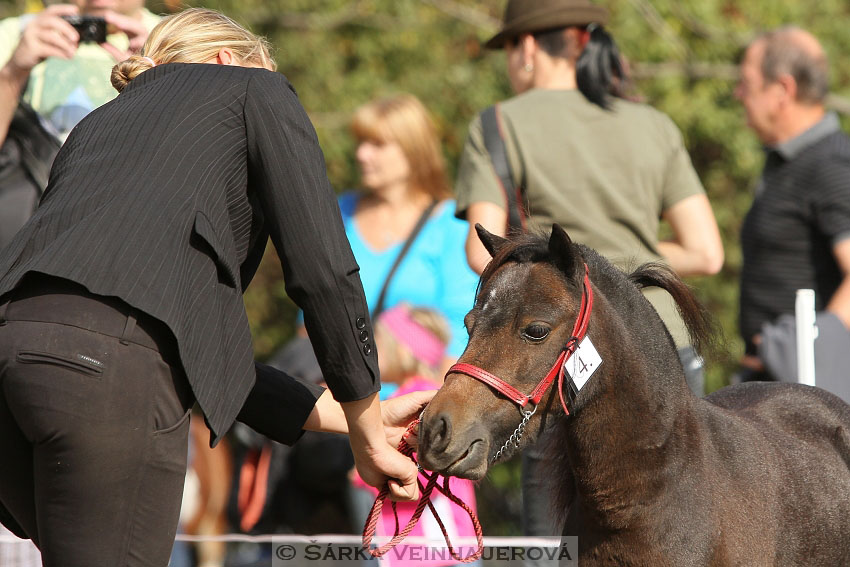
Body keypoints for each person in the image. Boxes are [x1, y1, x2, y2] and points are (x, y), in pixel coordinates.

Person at [0, 9, 430, 567]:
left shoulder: (95, 129)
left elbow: (187, 343)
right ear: (229, 62)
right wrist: (370, 430)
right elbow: (324, 272)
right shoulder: (255, 88)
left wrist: (354, 417)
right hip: (109, 376)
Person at [453, 0, 724, 548]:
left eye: (508, 49)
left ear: (527, 48)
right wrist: (631, 257)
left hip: (556, 357)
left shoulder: (501, 124)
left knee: (554, 543)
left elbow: (483, 251)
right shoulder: (654, 124)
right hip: (660, 347)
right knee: (682, 535)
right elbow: (707, 252)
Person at [734, 27, 850, 403]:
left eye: (746, 83)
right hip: (775, 385)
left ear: (782, 90)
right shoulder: (790, 161)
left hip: (806, 397)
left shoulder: (830, 164)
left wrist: (805, 346)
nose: (739, 94)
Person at [0, 0, 159, 249]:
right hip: (28, 231)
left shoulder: (182, 37)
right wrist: (12, 74)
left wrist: (169, 77)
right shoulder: (14, 35)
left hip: (132, 232)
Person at [340, 94, 480, 361]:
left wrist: (437, 399)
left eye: (377, 144)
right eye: (361, 143)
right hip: (336, 393)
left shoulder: (451, 223)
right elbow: (310, 318)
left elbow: (460, 328)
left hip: (416, 394)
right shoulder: (340, 213)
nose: (362, 154)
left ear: (413, 150)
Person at [351, 304, 480, 567]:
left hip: (434, 548)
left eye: (379, 341)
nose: (372, 351)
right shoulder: (421, 397)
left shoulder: (421, 404)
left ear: (402, 349)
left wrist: (365, 475)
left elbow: (427, 469)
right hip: (431, 546)